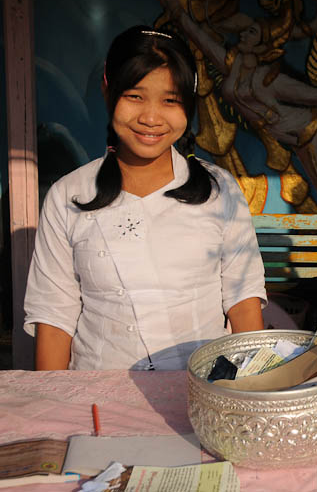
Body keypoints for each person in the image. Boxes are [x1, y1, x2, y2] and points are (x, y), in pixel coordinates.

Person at [24, 26, 267, 370]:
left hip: (199, 394)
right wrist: (58, 409)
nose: (151, 118)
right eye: (135, 96)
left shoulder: (219, 190)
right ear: (109, 92)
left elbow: (243, 302)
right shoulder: (69, 195)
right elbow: (54, 317)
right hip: (100, 400)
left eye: (170, 100)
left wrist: (251, 397)